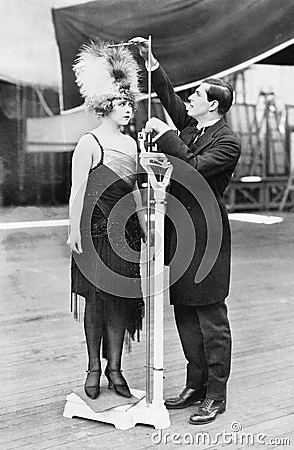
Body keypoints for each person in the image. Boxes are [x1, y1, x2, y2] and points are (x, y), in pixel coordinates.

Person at [132, 37, 241, 424]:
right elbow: (168, 97)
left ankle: (216, 395)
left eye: (195, 96)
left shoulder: (227, 142)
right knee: (185, 314)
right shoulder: (194, 127)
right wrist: (151, 63)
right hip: (181, 233)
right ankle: (195, 385)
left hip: (207, 237)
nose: (188, 100)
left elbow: (192, 166)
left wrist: (165, 136)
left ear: (213, 104)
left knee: (210, 317)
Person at [68, 41, 146, 400]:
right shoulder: (89, 143)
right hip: (95, 234)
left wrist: (144, 224)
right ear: (104, 106)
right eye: (120, 104)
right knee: (97, 302)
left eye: (130, 103)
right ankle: (93, 368)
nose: (127, 110)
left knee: (121, 302)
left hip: (125, 236)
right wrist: (73, 231)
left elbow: (133, 190)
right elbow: (77, 192)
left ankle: (115, 368)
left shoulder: (133, 146)